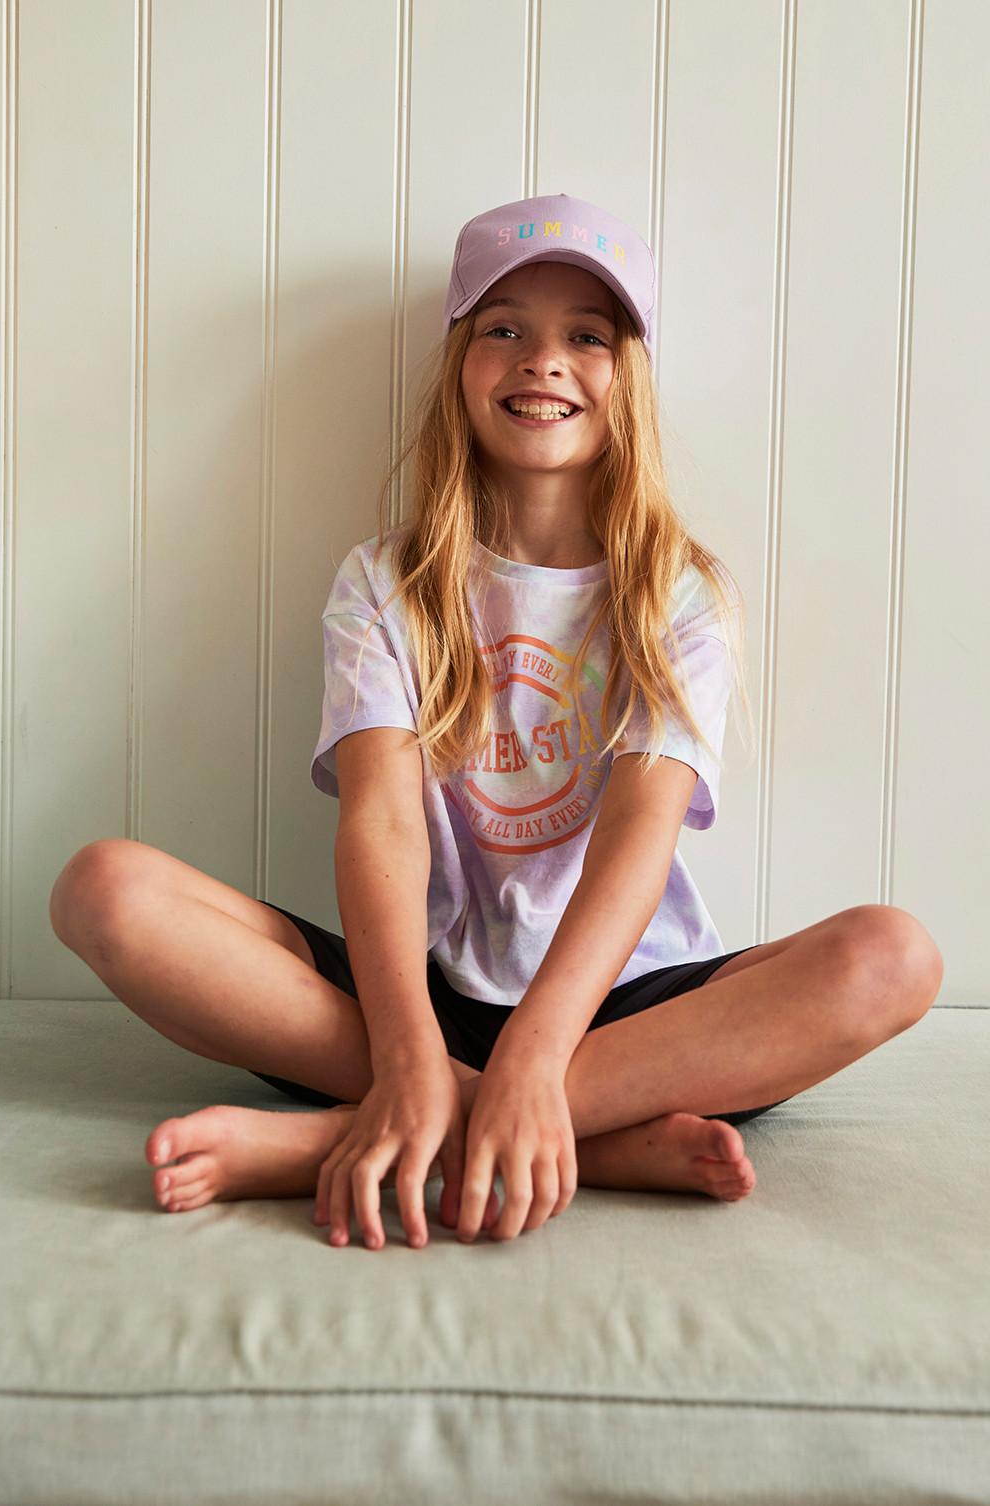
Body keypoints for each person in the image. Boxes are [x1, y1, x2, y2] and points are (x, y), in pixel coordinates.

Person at [49, 192, 943, 1254]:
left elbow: (638, 836)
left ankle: (369, 1132)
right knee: (102, 889)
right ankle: (540, 1129)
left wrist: (535, 1051)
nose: (543, 359)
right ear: (459, 364)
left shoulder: (678, 593)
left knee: (894, 957)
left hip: (620, 1009)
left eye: (586, 336)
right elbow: (382, 823)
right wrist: (409, 1049)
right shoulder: (387, 581)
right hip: (411, 995)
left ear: (629, 378)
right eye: (503, 328)